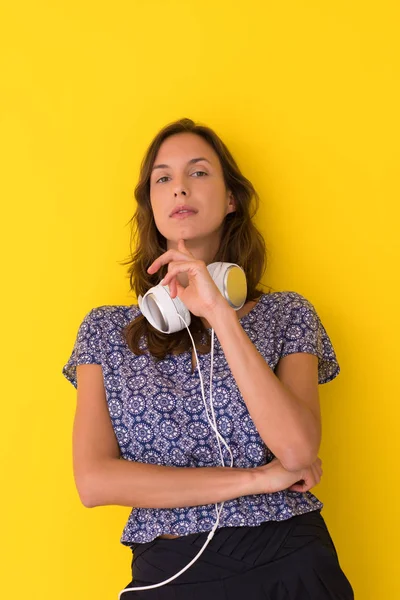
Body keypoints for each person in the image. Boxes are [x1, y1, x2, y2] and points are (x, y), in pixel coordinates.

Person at [62, 118, 354, 599]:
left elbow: (299, 452)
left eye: (198, 173)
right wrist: (257, 479)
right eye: (163, 178)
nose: (179, 188)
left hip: (290, 562)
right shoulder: (104, 332)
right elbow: (93, 481)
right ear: (151, 205)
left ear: (231, 198)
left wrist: (221, 314)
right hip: (170, 570)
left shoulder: (287, 314)